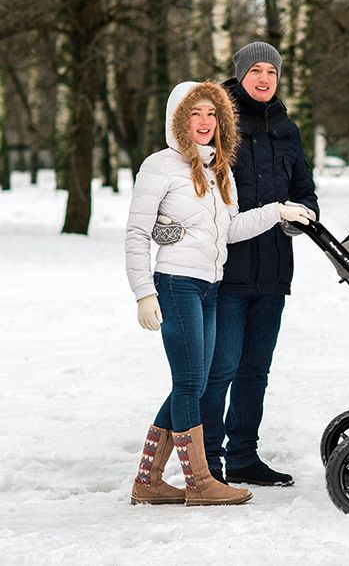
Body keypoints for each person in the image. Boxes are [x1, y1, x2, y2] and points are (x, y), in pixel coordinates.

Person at [125, 80, 310, 506]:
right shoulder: (159, 166)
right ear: (178, 120)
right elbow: (137, 232)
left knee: (195, 380)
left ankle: (148, 480)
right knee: (191, 381)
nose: (204, 122)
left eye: (212, 114)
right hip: (175, 284)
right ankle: (200, 481)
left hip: (210, 286)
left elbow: (231, 229)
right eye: (195, 114)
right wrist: (143, 292)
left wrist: (276, 211)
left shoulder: (218, 168)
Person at [201, 42, 319, 487]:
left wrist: (302, 219)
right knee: (222, 368)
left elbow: (305, 191)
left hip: (273, 271)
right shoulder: (218, 124)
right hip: (227, 270)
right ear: (240, 74)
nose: (264, 78)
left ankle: (244, 457)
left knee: (256, 369)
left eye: (271, 70)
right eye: (256, 70)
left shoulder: (288, 130)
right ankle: (208, 461)